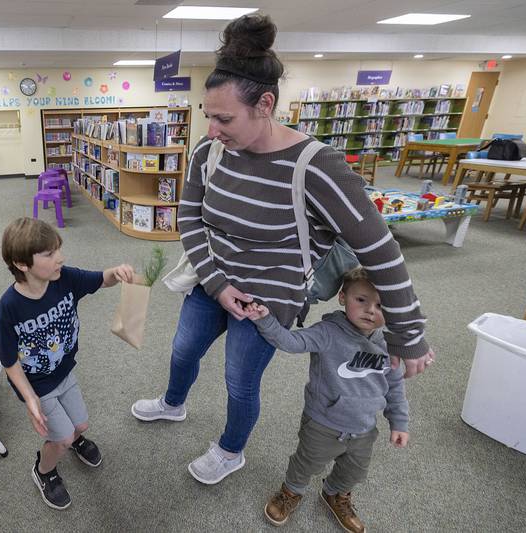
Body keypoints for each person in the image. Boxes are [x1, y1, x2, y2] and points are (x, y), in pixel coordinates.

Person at [131, 13, 434, 485]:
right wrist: (216, 282)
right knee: (183, 349)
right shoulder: (207, 153)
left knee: (239, 381)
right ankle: (173, 403)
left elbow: (381, 252)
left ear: (265, 104)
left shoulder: (317, 167)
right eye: (207, 116)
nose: (212, 129)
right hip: (213, 281)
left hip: (268, 303)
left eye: (224, 118)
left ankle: (230, 451)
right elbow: (187, 219)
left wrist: (410, 334)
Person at [245, 268, 408, 533]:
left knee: (353, 471)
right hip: (323, 421)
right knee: (306, 463)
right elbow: (291, 342)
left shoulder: (389, 344)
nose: (370, 311)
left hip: (365, 426)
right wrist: (265, 320)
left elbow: (395, 385)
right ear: (343, 297)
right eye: (361, 300)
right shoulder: (328, 332)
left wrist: (399, 422)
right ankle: (291, 491)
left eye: (380, 305)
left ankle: (335, 494)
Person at [0, 217, 134, 510]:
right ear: (22, 264)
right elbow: (9, 361)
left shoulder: (65, 279)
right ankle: (44, 471)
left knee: (81, 424)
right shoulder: (8, 308)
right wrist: (30, 398)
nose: (61, 258)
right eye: (49, 254)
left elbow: (101, 278)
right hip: (37, 385)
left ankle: (73, 440)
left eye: (58, 250)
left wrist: (117, 272)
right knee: (61, 439)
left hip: (64, 372)